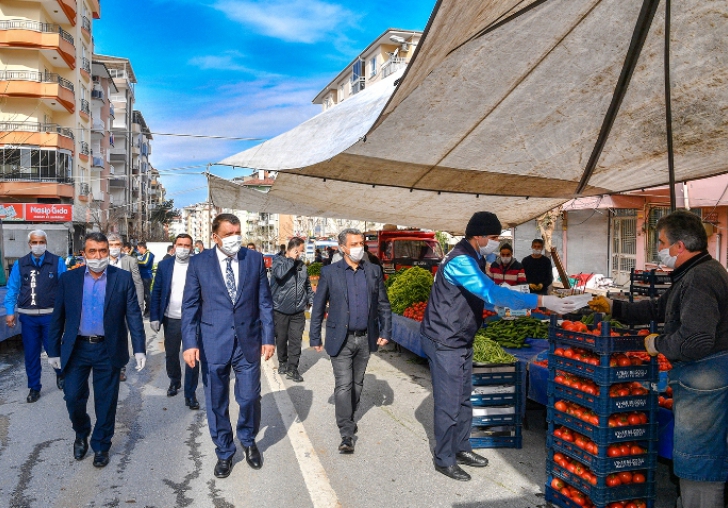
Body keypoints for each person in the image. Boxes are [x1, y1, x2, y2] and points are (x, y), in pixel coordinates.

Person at [420, 212, 581, 481]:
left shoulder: (475, 257)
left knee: (462, 398)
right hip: (444, 339)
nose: (497, 243)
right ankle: (444, 457)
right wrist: (542, 301)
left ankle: (461, 447)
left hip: (460, 337)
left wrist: (513, 307)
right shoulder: (460, 260)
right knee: (448, 402)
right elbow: (490, 292)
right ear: (479, 236)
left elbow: (485, 298)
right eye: (494, 238)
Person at [589, 211, 728, 508]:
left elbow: (697, 340)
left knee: (699, 456)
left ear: (679, 246)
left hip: (706, 376)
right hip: (703, 374)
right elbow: (658, 308)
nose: (659, 250)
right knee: (699, 454)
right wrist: (613, 307)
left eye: (662, 242)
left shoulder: (700, 279)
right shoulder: (694, 273)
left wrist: (658, 344)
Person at [181, 213, 275, 478]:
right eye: (229, 234)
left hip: (248, 341)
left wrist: (269, 337)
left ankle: (247, 439)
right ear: (215, 237)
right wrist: (189, 343)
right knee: (216, 401)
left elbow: (264, 302)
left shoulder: (253, 259)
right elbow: (190, 305)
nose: (235, 239)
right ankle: (224, 451)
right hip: (213, 342)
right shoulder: (199, 263)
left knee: (249, 397)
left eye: (238, 233)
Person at [47, 232, 146, 468]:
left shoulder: (121, 278)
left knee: (106, 401)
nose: (99, 256)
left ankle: (101, 445)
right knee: (72, 397)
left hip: (107, 349)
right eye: (93, 251)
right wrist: (52, 351)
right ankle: (81, 432)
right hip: (76, 349)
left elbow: (133, 314)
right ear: (84, 253)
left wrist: (140, 349)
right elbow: (57, 317)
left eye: (103, 251)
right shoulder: (68, 280)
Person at [309, 228, 392, 455]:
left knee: (357, 384)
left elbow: (383, 304)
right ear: (343, 248)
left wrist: (386, 330)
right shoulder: (330, 273)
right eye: (354, 244)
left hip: (365, 338)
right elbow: (318, 307)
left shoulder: (373, 271)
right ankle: (346, 432)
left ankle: (349, 416)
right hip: (341, 339)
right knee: (343, 384)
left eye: (361, 243)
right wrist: (315, 336)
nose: (359, 248)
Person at [4, 229, 67, 402]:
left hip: (51, 316)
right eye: (34, 242)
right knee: (31, 354)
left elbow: (66, 287)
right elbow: (13, 289)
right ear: (29, 244)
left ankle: (61, 374)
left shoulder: (57, 262)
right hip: (28, 317)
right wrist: (10, 312)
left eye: (41, 242)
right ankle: (34, 387)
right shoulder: (20, 264)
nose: (38, 245)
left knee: (54, 349)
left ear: (46, 243)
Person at [150, 234, 200, 410]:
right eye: (180, 244)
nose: (183, 248)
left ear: (192, 248)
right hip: (171, 318)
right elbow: (156, 291)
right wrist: (154, 316)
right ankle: (174, 380)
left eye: (187, 245)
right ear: (174, 246)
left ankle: (190, 393)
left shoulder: (198, 264)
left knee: (193, 357)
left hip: (192, 319)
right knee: (171, 354)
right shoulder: (165, 265)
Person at [271, 237, 314, 383]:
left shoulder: (302, 266)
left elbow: (307, 285)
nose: (300, 254)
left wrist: (311, 300)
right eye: (299, 251)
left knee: (296, 340)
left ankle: (292, 369)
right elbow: (280, 275)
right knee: (281, 339)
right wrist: (290, 259)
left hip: (298, 311)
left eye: (301, 252)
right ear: (293, 249)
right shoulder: (278, 262)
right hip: (280, 310)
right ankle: (282, 362)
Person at [108, 233, 145, 382]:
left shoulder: (130, 261)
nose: (114, 248)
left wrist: (140, 304)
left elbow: (138, 283)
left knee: (122, 337)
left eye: (117, 245)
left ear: (122, 246)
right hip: (107, 307)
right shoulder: (100, 261)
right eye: (111, 245)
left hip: (125, 306)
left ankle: (121, 368)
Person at [136, 241, 154, 317]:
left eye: (138, 249)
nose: (138, 251)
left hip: (146, 276)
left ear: (142, 248)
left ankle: (150, 310)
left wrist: (135, 261)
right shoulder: (143, 255)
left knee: (146, 294)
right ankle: (147, 309)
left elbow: (145, 263)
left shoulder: (149, 254)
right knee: (143, 294)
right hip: (142, 276)